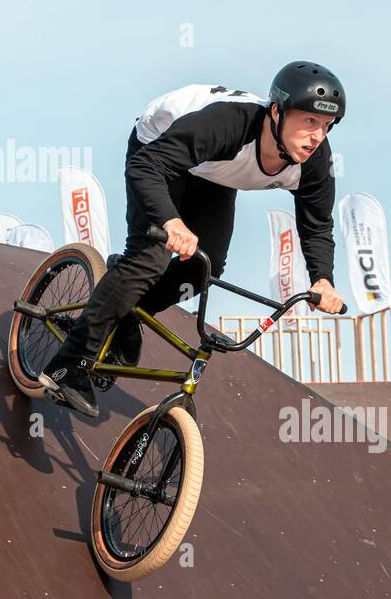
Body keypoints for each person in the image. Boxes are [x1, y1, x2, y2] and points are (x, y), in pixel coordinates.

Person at [39, 64, 348, 417]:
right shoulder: (229, 124)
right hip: (158, 150)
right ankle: (67, 366)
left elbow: (317, 225)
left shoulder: (314, 162)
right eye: (309, 121)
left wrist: (323, 279)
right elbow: (146, 167)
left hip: (213, 172)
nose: (317, 136)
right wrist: (171, 222)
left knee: (206, 266)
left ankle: (128, 311)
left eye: (326, 125)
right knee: (149, 259)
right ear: (277, 112)